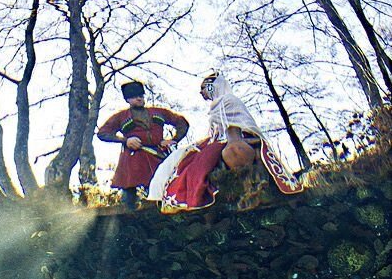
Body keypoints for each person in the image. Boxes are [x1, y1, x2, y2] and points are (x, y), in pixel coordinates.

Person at [148, 71, 302, 213]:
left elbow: (241, 125)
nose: (201, 92)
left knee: (199, 162)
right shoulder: (216, 105)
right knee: (179, 158)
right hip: (216, 140)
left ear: (212, 87)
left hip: (232, 138)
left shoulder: (229, 100)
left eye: (203, 88)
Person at [97, 80, 189, 210]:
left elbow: (182, 123)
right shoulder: (121, 117)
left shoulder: (159, 112)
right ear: (127, 99)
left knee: (162, 189)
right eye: (134, 96)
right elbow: (103, 133)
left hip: (157, 157)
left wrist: (174, 140)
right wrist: (125, 140)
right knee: (129, 197)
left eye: (141, 95)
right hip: (133, 160)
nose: (139, 98)